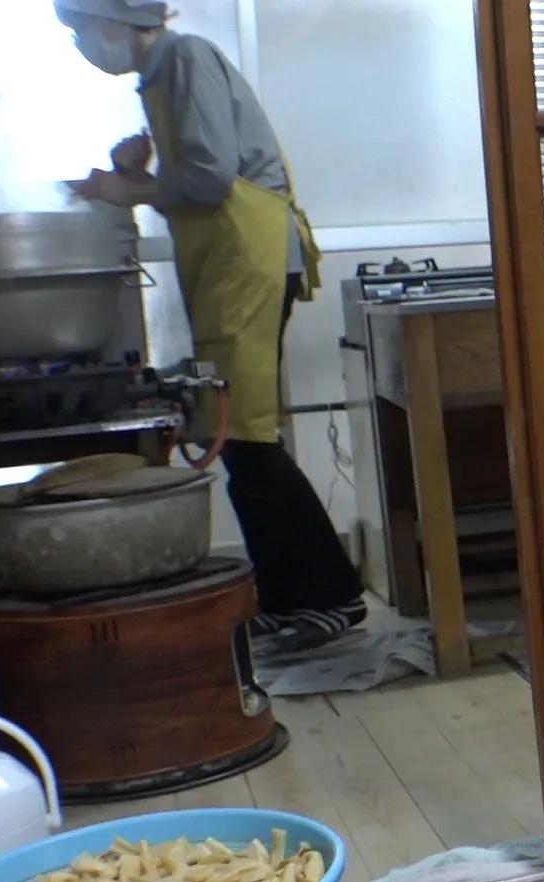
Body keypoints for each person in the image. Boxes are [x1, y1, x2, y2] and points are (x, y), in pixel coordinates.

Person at [56, 0, 364, 651]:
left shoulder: (186, 56)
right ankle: (288, 599)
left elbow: (208, 177)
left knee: (244, 434)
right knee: (231, 429)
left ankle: (329, 597)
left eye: (82, 27)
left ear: (118, 17)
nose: (81, 43)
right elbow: (194, 174)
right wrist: (139, 174)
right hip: (228, 266)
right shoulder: (160, 75)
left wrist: (126, 189)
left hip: (245, 257)